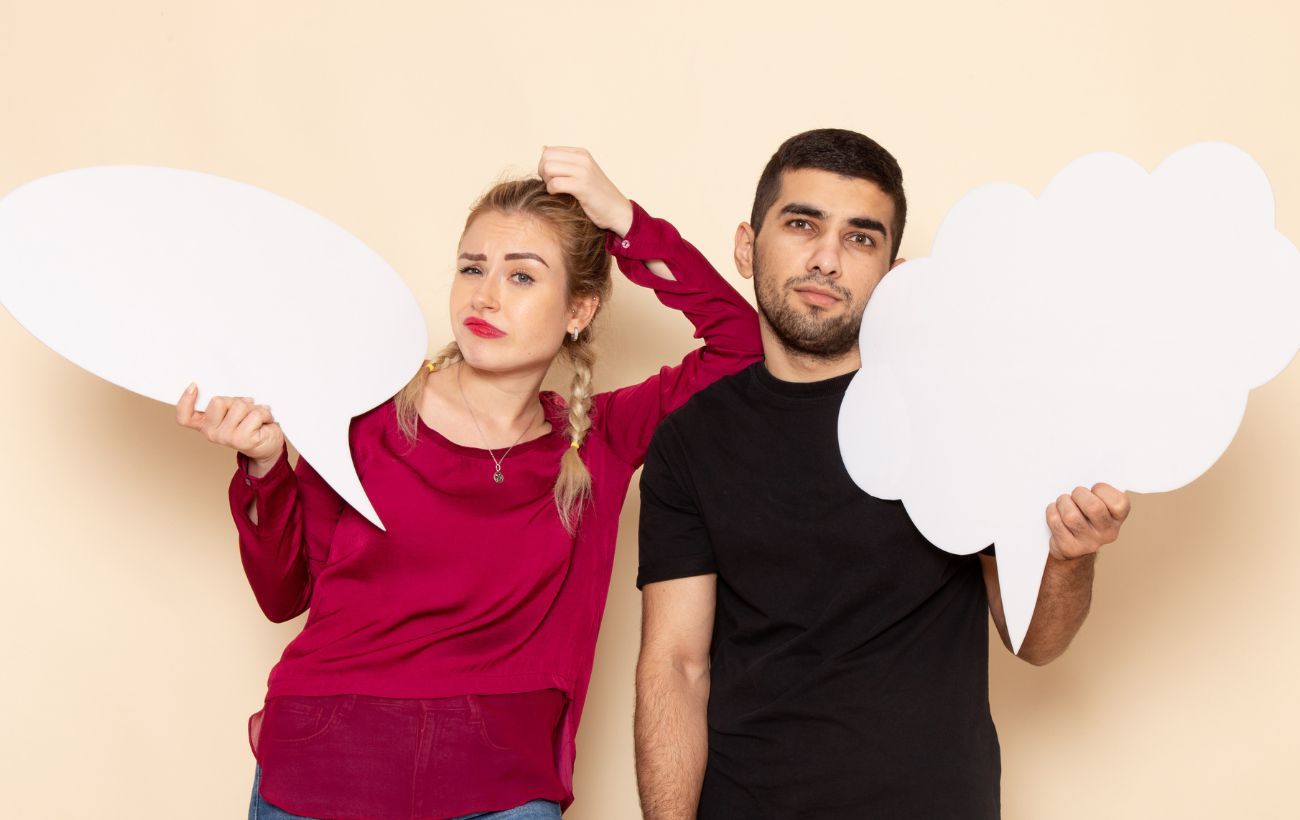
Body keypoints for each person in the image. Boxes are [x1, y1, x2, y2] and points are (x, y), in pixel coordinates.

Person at [175, 147, 762, 819]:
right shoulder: (365, 418)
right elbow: (283, 598)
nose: (485, 295)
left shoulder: (597, 439)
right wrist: (264, 466)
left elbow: (743, 349)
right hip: (327, 769)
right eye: (472, 267)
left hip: (501, 788)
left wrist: (627, 222)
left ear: (579, 309)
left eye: (522, 276)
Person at [633, 128, 1132, 819]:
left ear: (895, 275)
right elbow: (675, 667)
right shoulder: (690, 442)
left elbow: (1036, 642)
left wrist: (1071, 558)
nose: (826, 259)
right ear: (747, 246)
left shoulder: (961, 418)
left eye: (860, 238)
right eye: (802, 224)